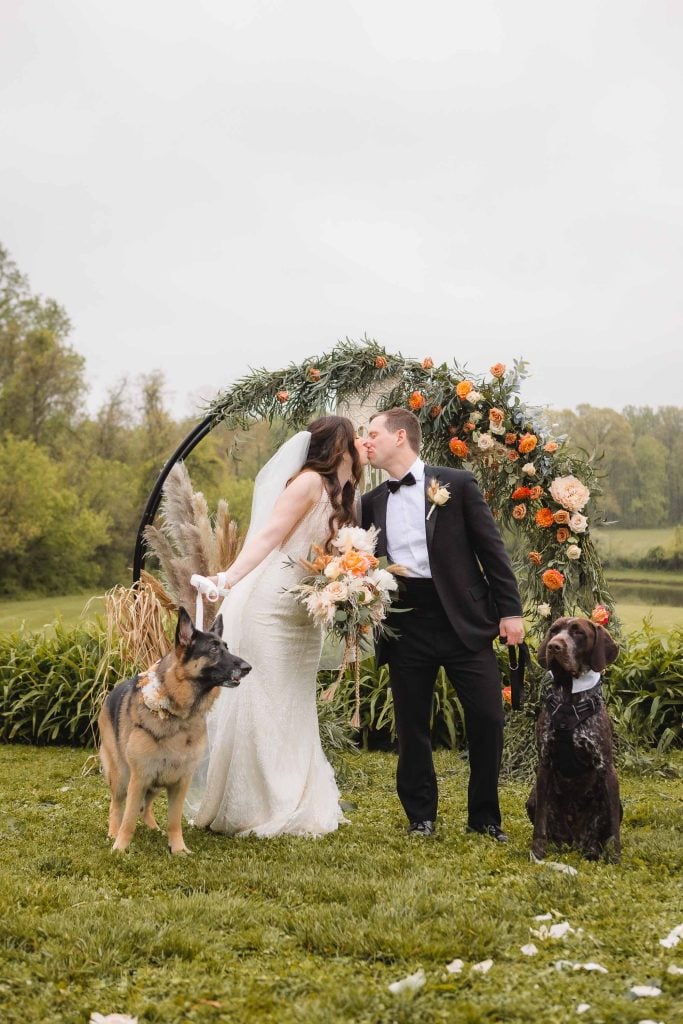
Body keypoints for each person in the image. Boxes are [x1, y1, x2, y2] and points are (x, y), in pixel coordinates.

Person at [185, 415, 368, 837]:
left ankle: (300, 795)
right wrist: (227, 580)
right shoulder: (306, 483)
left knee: (294, 702)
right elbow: (267, 537)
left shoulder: (346, 493)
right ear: (337, 445)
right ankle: (258, 802)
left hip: (307, 611)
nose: (361, 443)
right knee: (263, 699)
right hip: (272, 607)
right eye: (355, 437)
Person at [361, 408, 524, 842]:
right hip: (405, 621)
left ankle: (485, 818)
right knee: (412, 724)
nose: (367, 442)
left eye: (373, 434)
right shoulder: (372, 502)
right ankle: (421, 817)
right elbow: (348, 555)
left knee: (488, 718)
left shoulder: (458, 484)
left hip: (464, 621)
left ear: (400, 436)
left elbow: (493, 553)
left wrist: (511, 612)